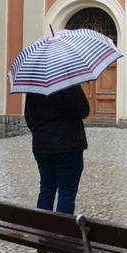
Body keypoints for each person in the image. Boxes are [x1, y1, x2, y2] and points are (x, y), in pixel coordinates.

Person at [25, 84, 90, 214]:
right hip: (67, 145)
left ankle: (43, 230)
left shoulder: (34, 84)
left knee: (46, 190)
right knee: (66, 193)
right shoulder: (67, 79)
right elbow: (83, 110)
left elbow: (28, 116)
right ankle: (61, 232)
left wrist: (41, 134)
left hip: (42, 146)